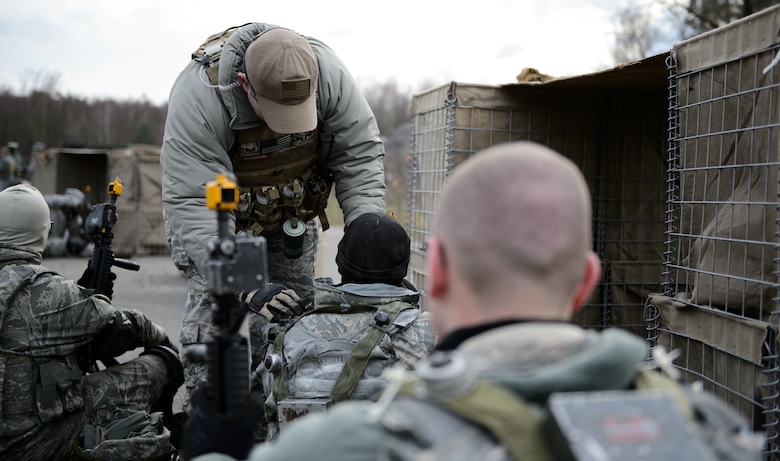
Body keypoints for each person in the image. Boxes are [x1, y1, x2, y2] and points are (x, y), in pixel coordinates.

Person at [184, 142, 762, 461]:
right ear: (586, 282)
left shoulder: (353, 445)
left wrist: (219, 430)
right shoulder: (706, 429)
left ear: (436, 272)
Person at [160, 23, 387, 414]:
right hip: (218, 222)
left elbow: (359, 157)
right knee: (219, 327)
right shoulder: (200, 98)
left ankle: (279, 421)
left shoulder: (328, 74)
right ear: (245, 85)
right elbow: (196, 204)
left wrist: (370, 237)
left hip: (288, 218)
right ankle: (210, 429)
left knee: (294, 323)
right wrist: (247, 286)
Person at [0, 184, 185, 461]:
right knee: (160, 363)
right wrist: (161, 339)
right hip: (29, 446)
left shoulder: (52, 292)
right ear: (43, 232)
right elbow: (122, 326)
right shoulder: (52, 291)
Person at [248, 212, 437, 442]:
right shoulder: (426, 332)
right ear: (404, 268)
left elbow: (260, 409)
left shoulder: (288, 332)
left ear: (339, 264)